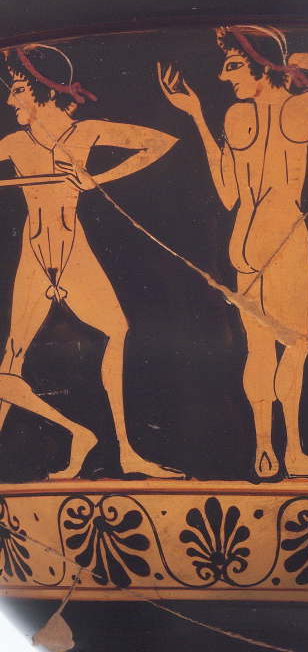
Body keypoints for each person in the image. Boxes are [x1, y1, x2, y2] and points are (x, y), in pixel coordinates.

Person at [158, 25, 308, 479]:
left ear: (262, 65)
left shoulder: (235, 118)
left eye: (233, 65)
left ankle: (264, 451)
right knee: (297, 346)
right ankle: (294, 452)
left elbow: (229, 195)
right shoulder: (299, 111)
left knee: (260, 348)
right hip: (284, 235)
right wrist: (296, 61)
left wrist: (198, 117)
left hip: (243, 241)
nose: (223, 76)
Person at [0, 43, 184, 480]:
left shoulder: (85, 133)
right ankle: (76, 433)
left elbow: (159, 142)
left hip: (73, 252)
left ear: (47, 90)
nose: (9, 101)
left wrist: (95, 179)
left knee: (117, 333)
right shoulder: (15, 143)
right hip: (36, 255)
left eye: (19, 89)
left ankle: (126, 453)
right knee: (11, 360)